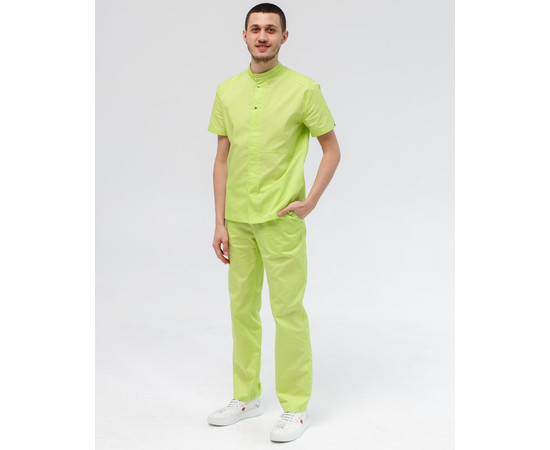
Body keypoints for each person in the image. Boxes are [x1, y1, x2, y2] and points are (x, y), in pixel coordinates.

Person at [206, 3, 341, 443]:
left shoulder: (304, 90)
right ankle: (246, 397)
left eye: (271, 29)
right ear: (244, 35)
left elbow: (332, 149)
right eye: (255, 29)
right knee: (242, 310)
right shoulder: (227, 91)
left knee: (288, 312)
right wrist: (219, 222)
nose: (262, 36)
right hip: (238, 220)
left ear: (284, 36)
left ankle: (296, 407)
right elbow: (221, 159)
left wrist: (310, 201)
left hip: (281, 219)